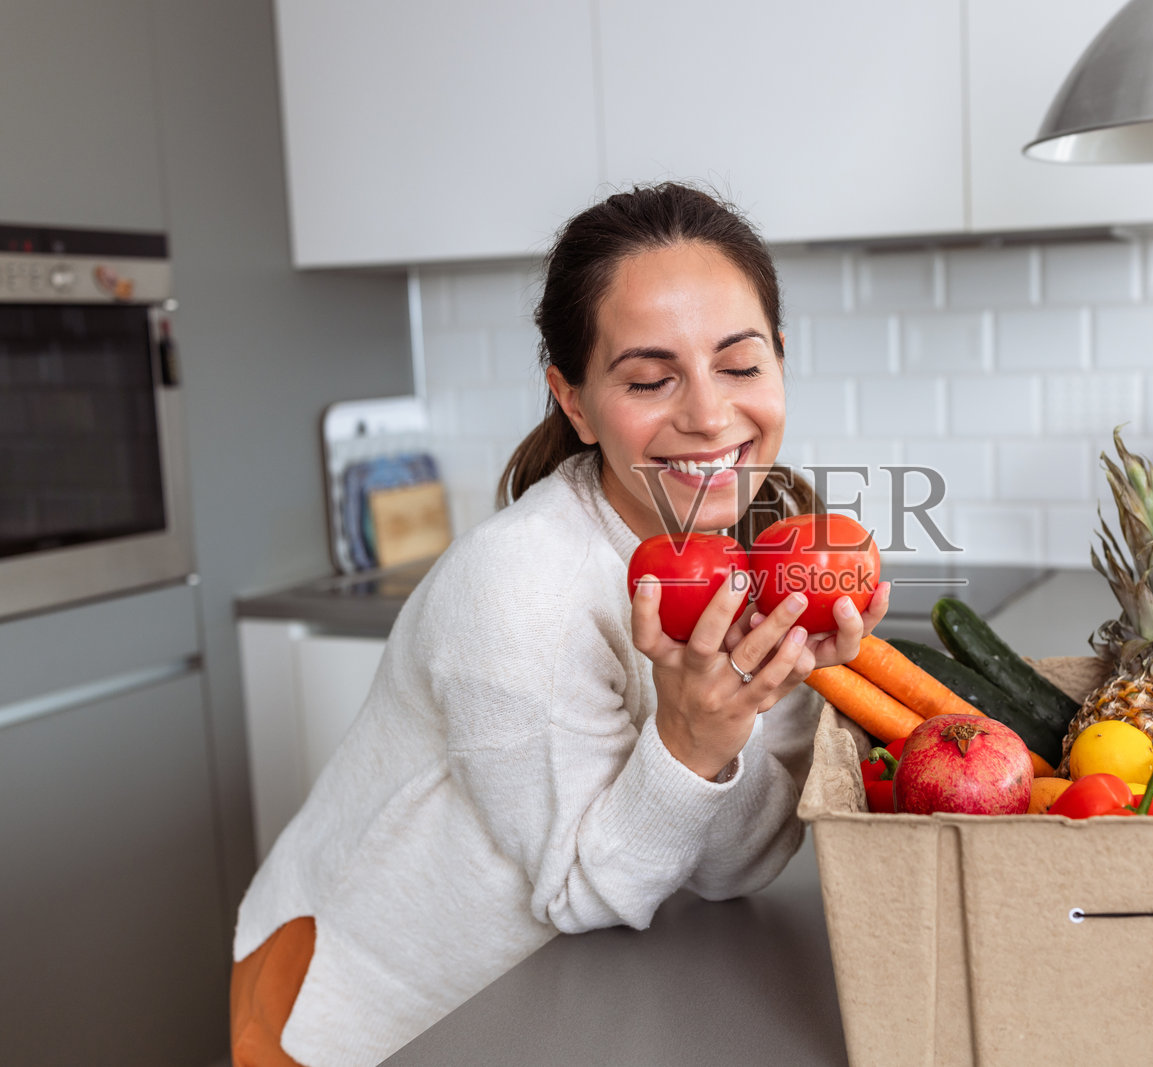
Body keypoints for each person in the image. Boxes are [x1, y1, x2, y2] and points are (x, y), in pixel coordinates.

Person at [228, 182, 891, 1067]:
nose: (707, 413)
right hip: (363, 1015)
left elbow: (728, 868)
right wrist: (694, 738)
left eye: (739, 365)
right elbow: (588, 889)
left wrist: (763, 705)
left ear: (781, 359)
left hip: (549, 992)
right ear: (574, 400)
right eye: (652, 378)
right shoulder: (518, 585)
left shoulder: (759, 548)